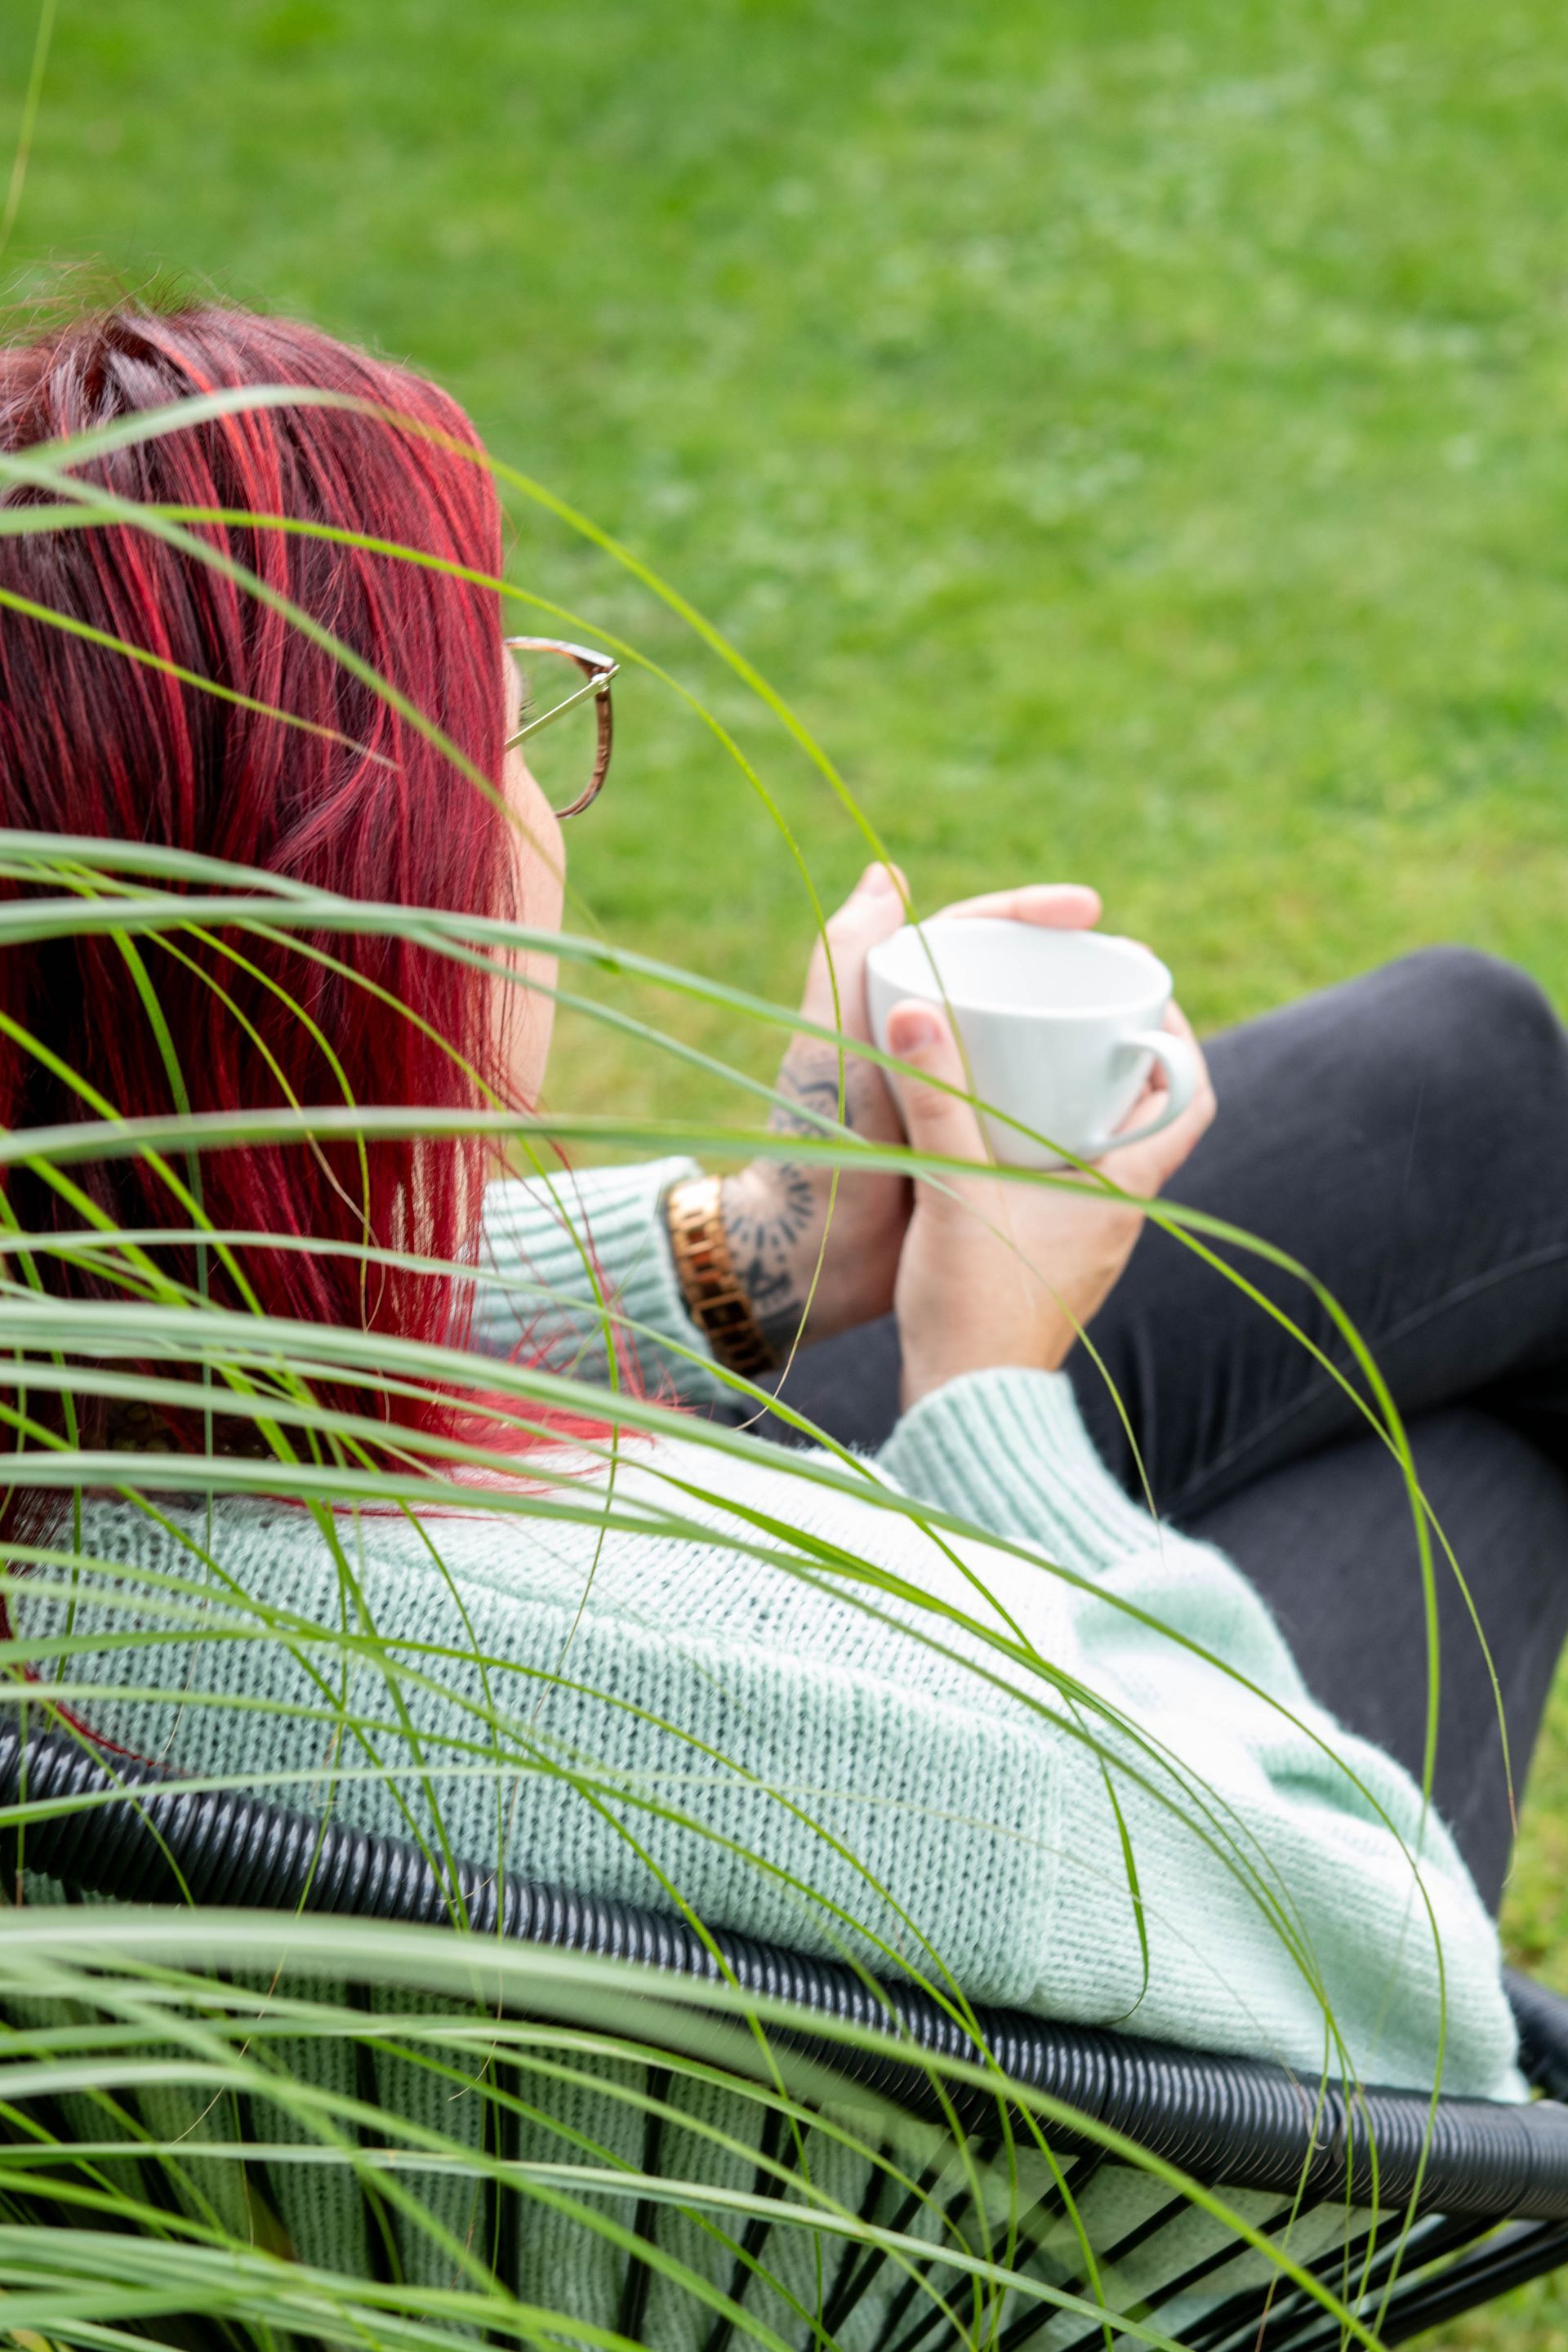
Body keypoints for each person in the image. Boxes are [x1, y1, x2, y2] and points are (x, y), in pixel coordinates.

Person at [0, 302, 1552, 2172]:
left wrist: (755, 1248)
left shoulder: (72, 1410)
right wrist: (994, 1398)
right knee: (1467, 1466)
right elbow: (1420, 2020)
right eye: (509, 735)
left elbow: (184, 1315)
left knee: (1474, 1081)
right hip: (983, 2175)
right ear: (366, 941)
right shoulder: (711, 1705)